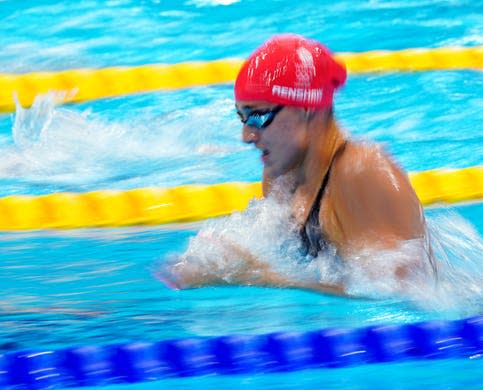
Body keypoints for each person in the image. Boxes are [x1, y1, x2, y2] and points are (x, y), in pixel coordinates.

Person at [161, 34, 434, 295]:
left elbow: (403, 293)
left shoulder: (362, 172)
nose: (247, 136)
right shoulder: (280, 173)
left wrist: (260, 278)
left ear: (306, 108)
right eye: (242, 119)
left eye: (258, 117)